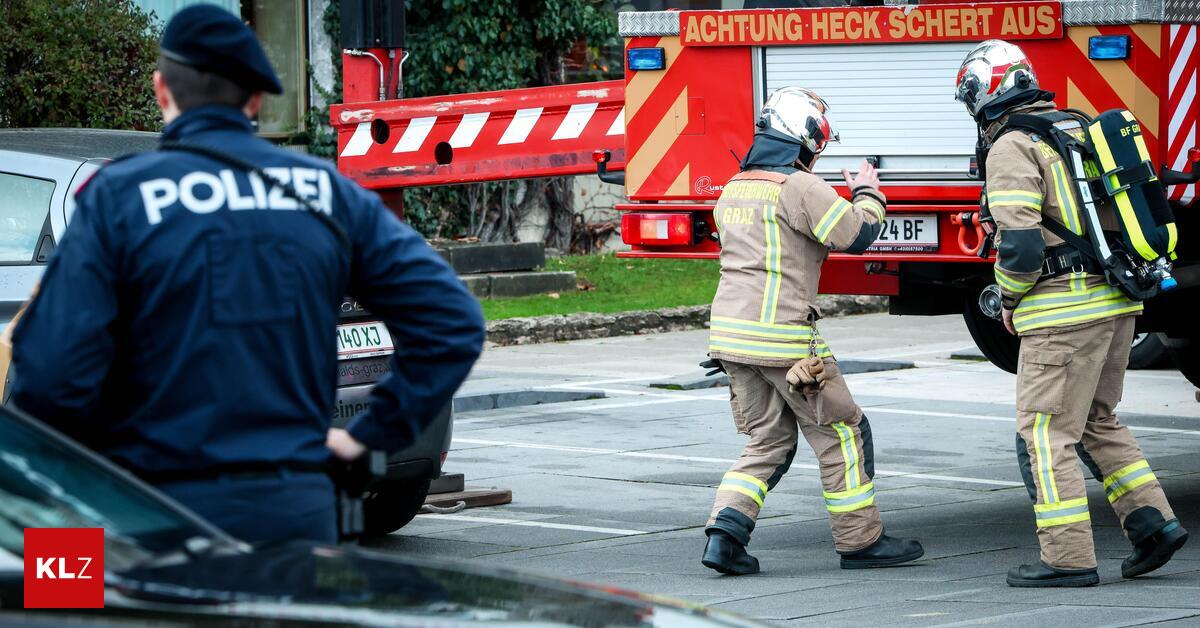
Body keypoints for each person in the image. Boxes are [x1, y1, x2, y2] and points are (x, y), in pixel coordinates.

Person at [7, 5, 485, 545]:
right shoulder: (325, 193)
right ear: (255, 100)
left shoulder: (119, 199)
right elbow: (453, 323)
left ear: (162, 89)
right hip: (292, 520)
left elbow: (47, 376)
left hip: (157, 520)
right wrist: (370, 439)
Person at [955, 40, 1188, 587]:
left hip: (1063, 311)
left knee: (1045, 433)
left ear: (986, 91)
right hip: (1117, 303)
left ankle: (1067, 558)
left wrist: (1008, 299)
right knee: (1094, 421)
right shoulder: (1076, 126)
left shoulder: (1012, 145)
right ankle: (1153, 524)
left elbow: (1020, 247)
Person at [701, 86, 924, 575]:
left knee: (767, 441)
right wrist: (868, 192)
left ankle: (724, 536)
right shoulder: (799, 187)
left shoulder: (735, 186)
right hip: (785, 341)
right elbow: (858, 235)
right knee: (842, 432)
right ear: (805, 138)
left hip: (730, 340)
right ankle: (861, 542)